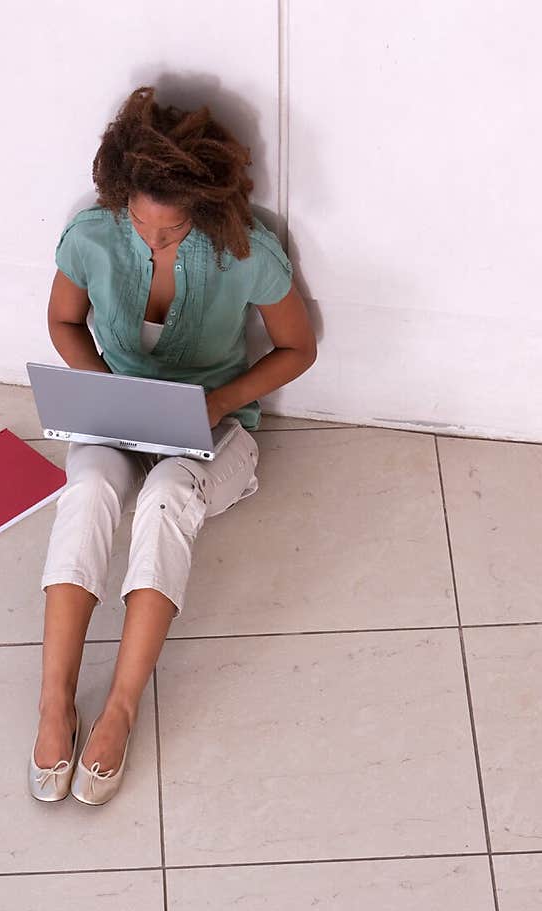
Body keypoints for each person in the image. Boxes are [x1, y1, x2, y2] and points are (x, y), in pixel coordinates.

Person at [29, 85, 317, 805]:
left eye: (173, 231)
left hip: (214, 429)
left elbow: (296, 348)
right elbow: (65, 323)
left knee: (164, 500)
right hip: (119, 413)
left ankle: (120, 709)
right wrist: (106, 394)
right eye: (143, 224)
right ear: (122, 195)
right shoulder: (91, 237)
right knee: (89, 490)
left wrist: (216, 402)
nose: (154, 242)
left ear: (203, 208)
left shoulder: (246, 248)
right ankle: (54, 704)